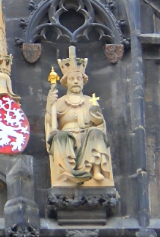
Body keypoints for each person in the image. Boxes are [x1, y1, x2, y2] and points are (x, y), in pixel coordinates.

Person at [45, 46, 113, 187]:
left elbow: (100, 124)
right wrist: (49, 105)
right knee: (59, 137)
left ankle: (96, 170)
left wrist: (98, 120)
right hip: (67, 136)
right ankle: (66, 172)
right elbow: (50, 122)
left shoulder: (90, 100)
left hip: (87, 135)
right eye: (72, 79)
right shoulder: (60, 102)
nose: (76, 81)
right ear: (66, 82)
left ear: (83, 81)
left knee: (95, 133)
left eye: (79, 79)